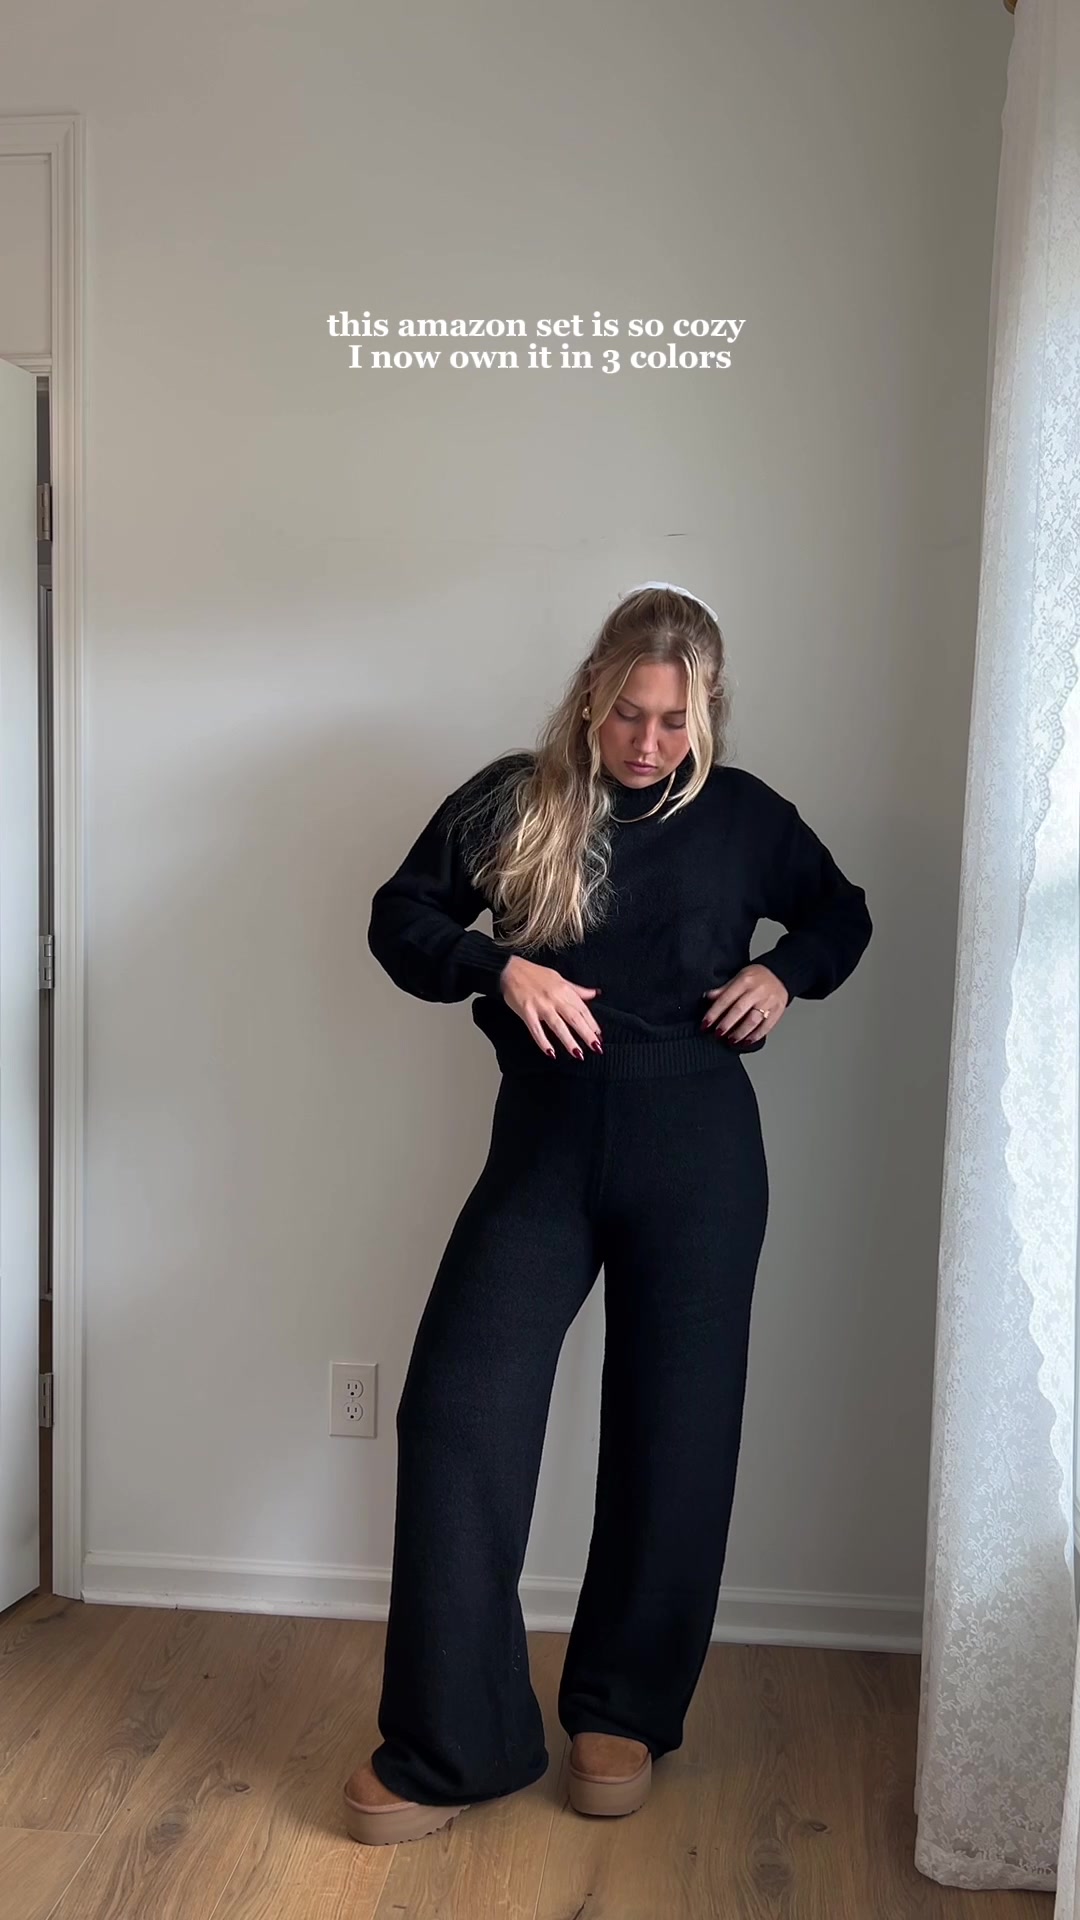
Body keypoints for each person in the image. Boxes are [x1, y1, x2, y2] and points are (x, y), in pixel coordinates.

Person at [343, 583, 872, 1846]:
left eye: (676, 721)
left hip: (700, 1148)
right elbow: (400, 918)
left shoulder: (743, 816)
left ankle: (623, 1708)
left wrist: (782, 974)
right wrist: (499, 963)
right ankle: (452, 1742)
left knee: (674, 1432)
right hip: (544, 1143)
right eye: (630, 712)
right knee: (456, 1412)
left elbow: (841, 912)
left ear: (708, 713)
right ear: (591, 693)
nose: (649, 742)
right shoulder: (511, 800)